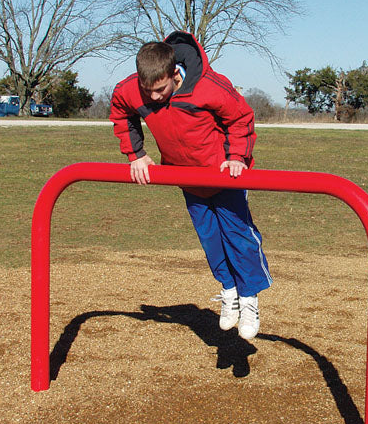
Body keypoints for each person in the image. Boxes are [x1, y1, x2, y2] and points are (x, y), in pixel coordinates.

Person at [109, 31, 271, 340]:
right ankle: (229, 291)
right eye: (147, 90)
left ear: (174, 74)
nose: (154, 97)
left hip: (223, 175)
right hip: (186, 177)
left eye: (160, 89)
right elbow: (120, 111)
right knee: (210, 239)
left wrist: (237, 156)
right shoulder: (133, 90)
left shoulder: (208, 85)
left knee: (238, 236)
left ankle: (250, 299)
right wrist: (136, 154)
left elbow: (241, 118)